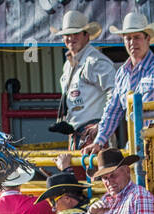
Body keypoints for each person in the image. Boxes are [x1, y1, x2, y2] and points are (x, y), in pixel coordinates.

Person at [81, 12, 154, 155]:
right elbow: (113, 110)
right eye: (128, 38)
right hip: (134, 148)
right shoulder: (121, 73)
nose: (132, 43)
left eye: (137, 37)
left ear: (148, 39)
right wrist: (99, 141)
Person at [51, 10, 115, 151]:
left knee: (100, 173)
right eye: (67, 35)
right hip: (77, 134)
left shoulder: (95, 61)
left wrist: (103, 125)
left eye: (76, 34)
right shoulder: (68, 65)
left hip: (95, 133)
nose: (71, 38)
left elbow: (115, 93)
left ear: (86, 35)